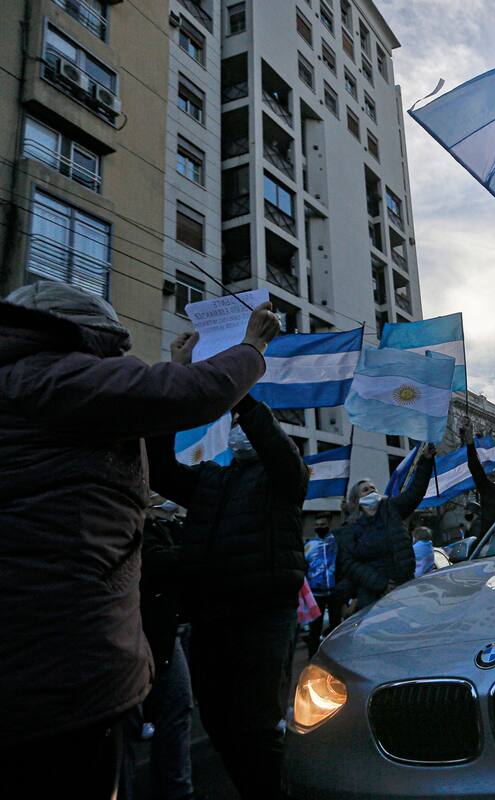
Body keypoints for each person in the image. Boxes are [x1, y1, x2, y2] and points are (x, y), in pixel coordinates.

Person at [0, 282, 274, 797]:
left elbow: (152, 418)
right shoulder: (55, 373)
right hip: (62, 658)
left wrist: (182, 367)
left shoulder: (30, 385)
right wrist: (251, 349)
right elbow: (184, 399)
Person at [146, 351, 308, 800]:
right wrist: (177, 381)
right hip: (210, 616)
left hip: (262, 616)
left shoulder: (285, 477)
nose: (239, 433)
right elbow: (160, 470)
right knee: (217, 721)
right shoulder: (211, 481)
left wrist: (237, 393)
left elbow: (275, 446)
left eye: (245, 425)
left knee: (255, 723)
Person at [120, 495, 194, 800]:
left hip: (161, 630)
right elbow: (155, 563)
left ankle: (176, 790)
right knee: (122, 723)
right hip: (131, 631)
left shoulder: (166, 528)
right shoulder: (131, 525)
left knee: (177, 708)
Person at [336, 446, 436, 608]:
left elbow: (415, 492)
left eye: (373, 488)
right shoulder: (350, 528)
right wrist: (381, 584)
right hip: (373, 594)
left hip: (405, 586)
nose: (371, 490)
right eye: (365, 490)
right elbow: (349, 564)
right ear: (356, 500)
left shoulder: (392, 508)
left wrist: (426, 461)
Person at [303, 511, 343, 658]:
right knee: (315, 629)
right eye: (318, 525)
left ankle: (335, 656)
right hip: (315, 593)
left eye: (323, 524)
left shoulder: (335, 541)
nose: (320, 527)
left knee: (335, 627)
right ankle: (312, 658)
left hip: (333, 592)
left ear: (329, 525)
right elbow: (304, 567)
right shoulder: (309, 545)